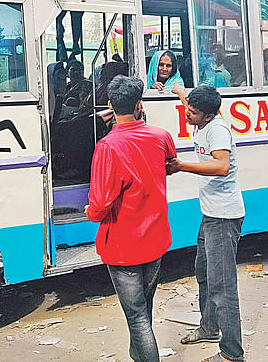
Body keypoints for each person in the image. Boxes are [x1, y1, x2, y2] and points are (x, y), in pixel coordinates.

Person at [84, 76, 176, 362]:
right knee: (143, 310)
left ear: (110, 105)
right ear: (139, 105)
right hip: (156, 238)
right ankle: (138, 355)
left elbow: (99, 205)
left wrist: (89, 213)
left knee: (136, 318)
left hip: (123, 245)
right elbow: (170, 164)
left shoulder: (108, 147)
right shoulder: (160, 136)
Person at [168, 85, 245, 362]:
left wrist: (181, 166)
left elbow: (221, 166)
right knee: (203, 273)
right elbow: (184, 95)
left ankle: (232, 354)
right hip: (209, 214)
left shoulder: (218, 131)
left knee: (223, 287)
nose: (187, 114)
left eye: (193, 112)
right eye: (188, 108)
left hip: (224, 218)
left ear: (209, 114)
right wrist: (175, 89)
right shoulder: (199, 112)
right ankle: (210, 328)